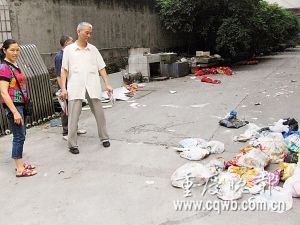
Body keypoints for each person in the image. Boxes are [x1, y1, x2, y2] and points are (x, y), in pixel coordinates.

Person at [60, 22, 113, 154]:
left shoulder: (93, 49)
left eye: (90, 33)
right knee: (73, 117)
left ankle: (104, 138)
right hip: (75, 87)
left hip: (92, 85)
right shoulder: (69, 50)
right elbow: (64, 70)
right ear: (78, 32)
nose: (89, 35)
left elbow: (101, 67)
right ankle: (72, 144)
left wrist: (107, 84)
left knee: (100, 115)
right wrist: (63, 88)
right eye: (86, 32)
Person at [0, 39, 37, 177]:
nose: (15, 53)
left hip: (20, 105)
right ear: (4, 50)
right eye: (12, 50)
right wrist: (15, 112)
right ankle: (20, 169)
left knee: (21, 135)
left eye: (17, 50)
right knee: (18, 137)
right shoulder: (4, 67)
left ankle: (20, 163)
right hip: (14, 107)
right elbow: (3, 92)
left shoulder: (13, 65)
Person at [54, 35, 86, 140]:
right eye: (72, 41)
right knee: (66, 110)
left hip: (74, 85)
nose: (74, 43)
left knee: (75, 108)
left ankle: (74, 129)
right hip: (66, 87)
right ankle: (66, 132)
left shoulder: (70, 54)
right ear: (67, 43)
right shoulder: (60, 56)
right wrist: (63, 89)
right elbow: (58, 75)